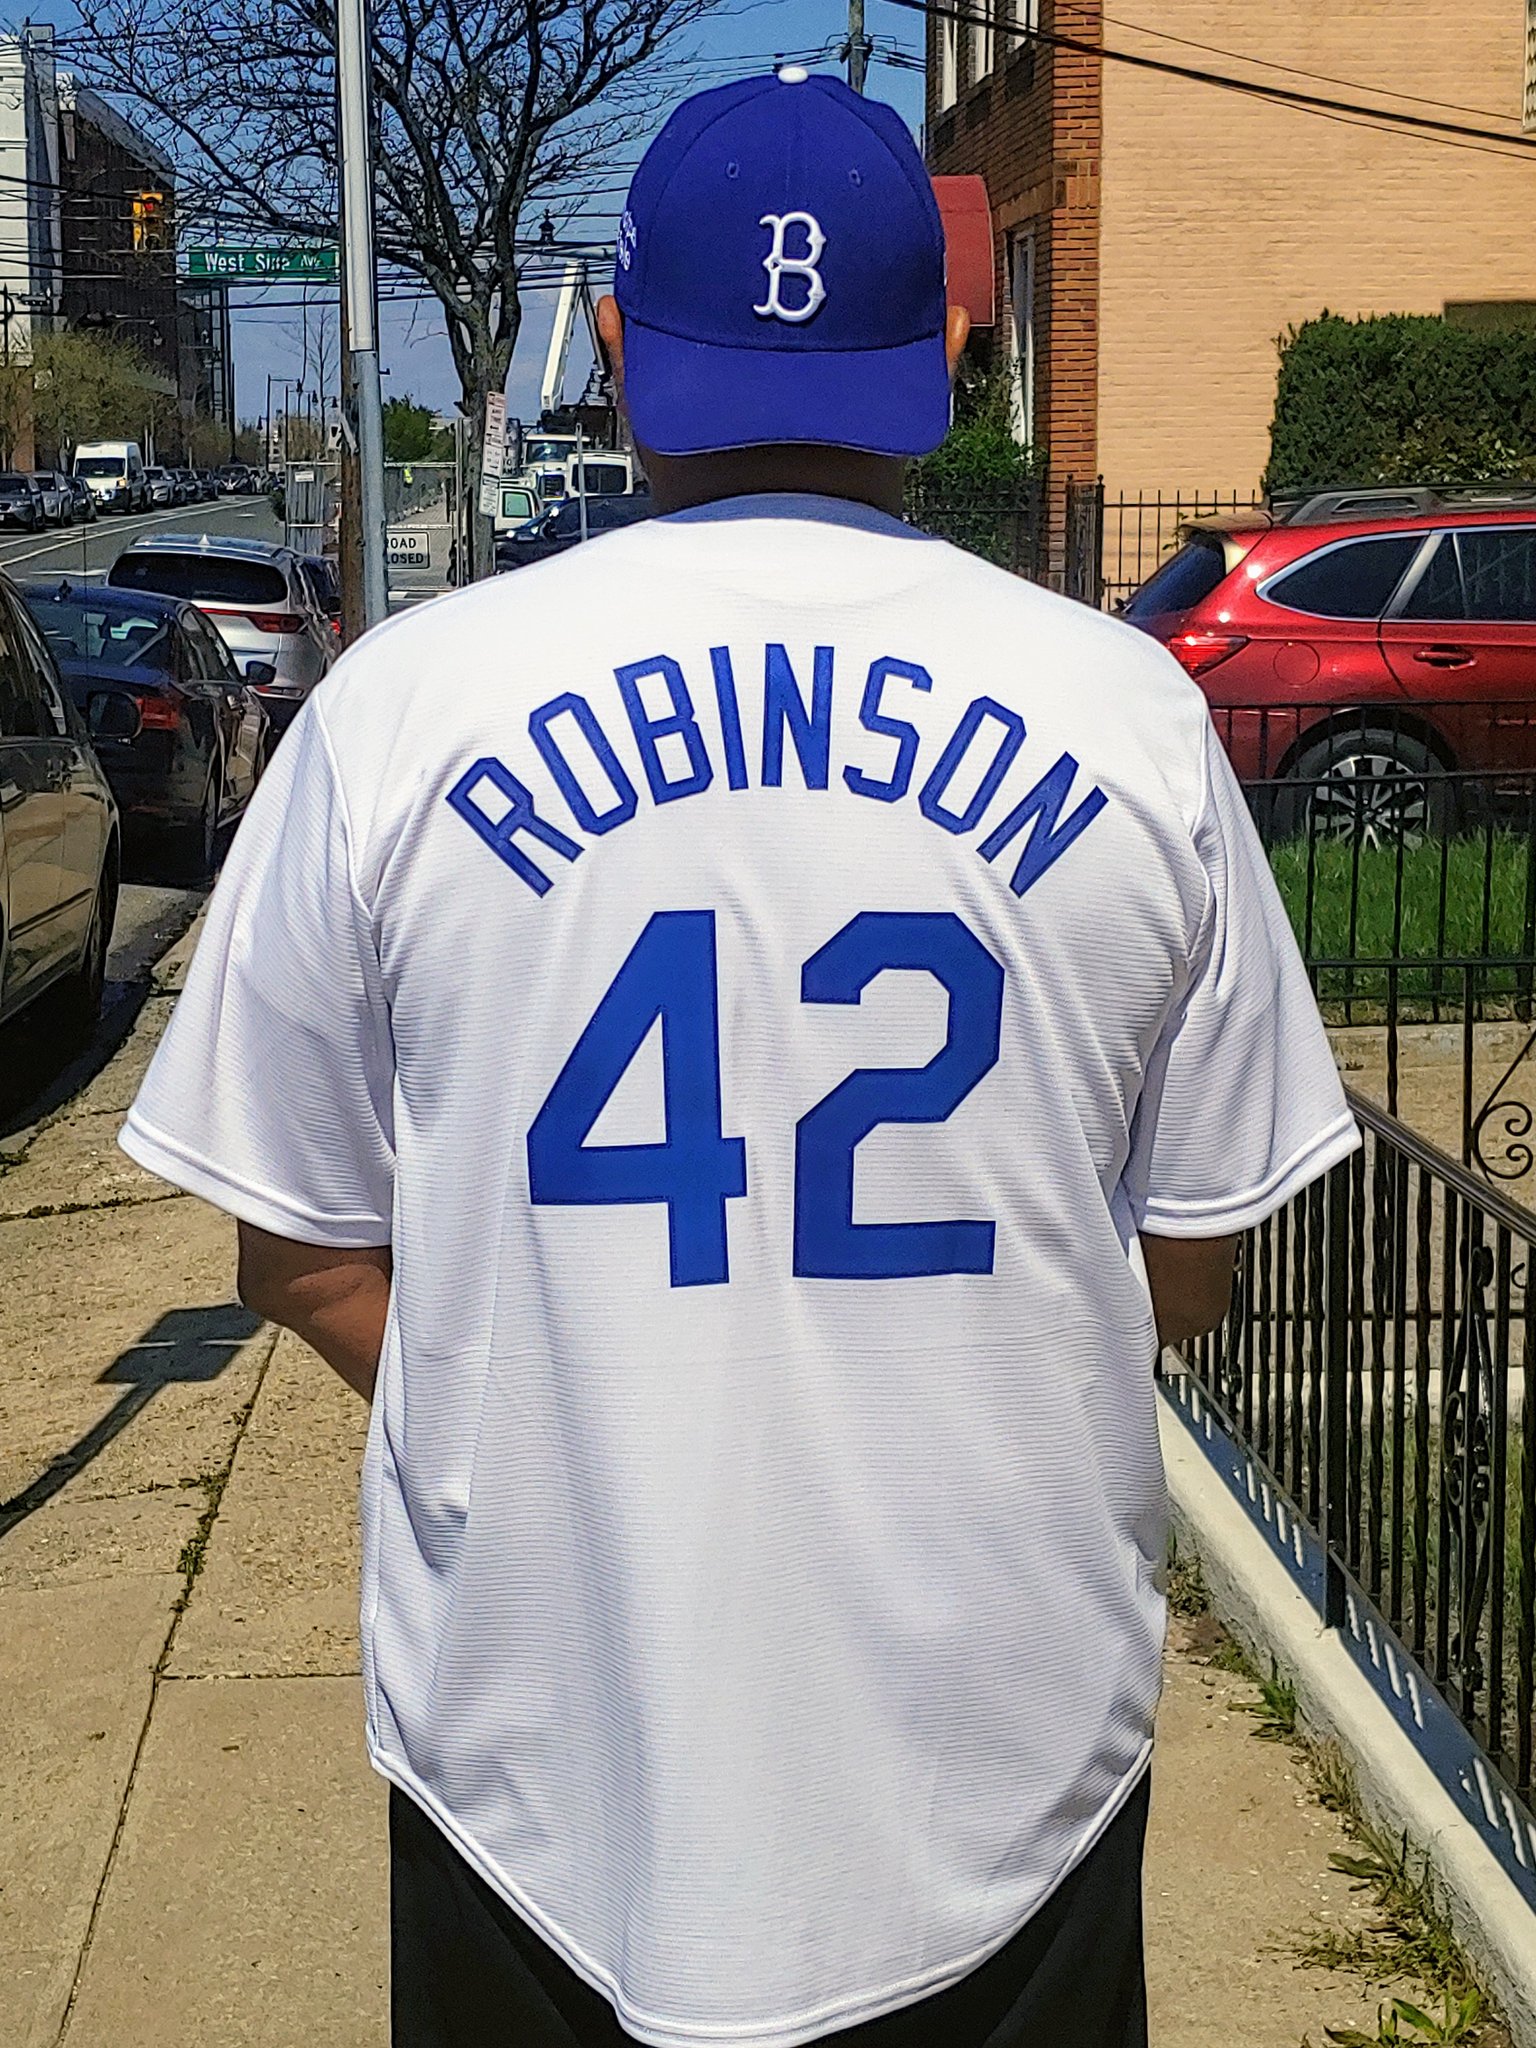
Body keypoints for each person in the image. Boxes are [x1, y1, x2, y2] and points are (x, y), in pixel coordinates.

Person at [119, 68, 1357, 2048]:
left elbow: (299, 1250)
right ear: (949, 349)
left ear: (618, 345)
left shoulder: (401, 716)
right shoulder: (1130, 723)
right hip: (1005, 1789)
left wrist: (561, 1394)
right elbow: (1190, 1256)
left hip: (539, 1788)